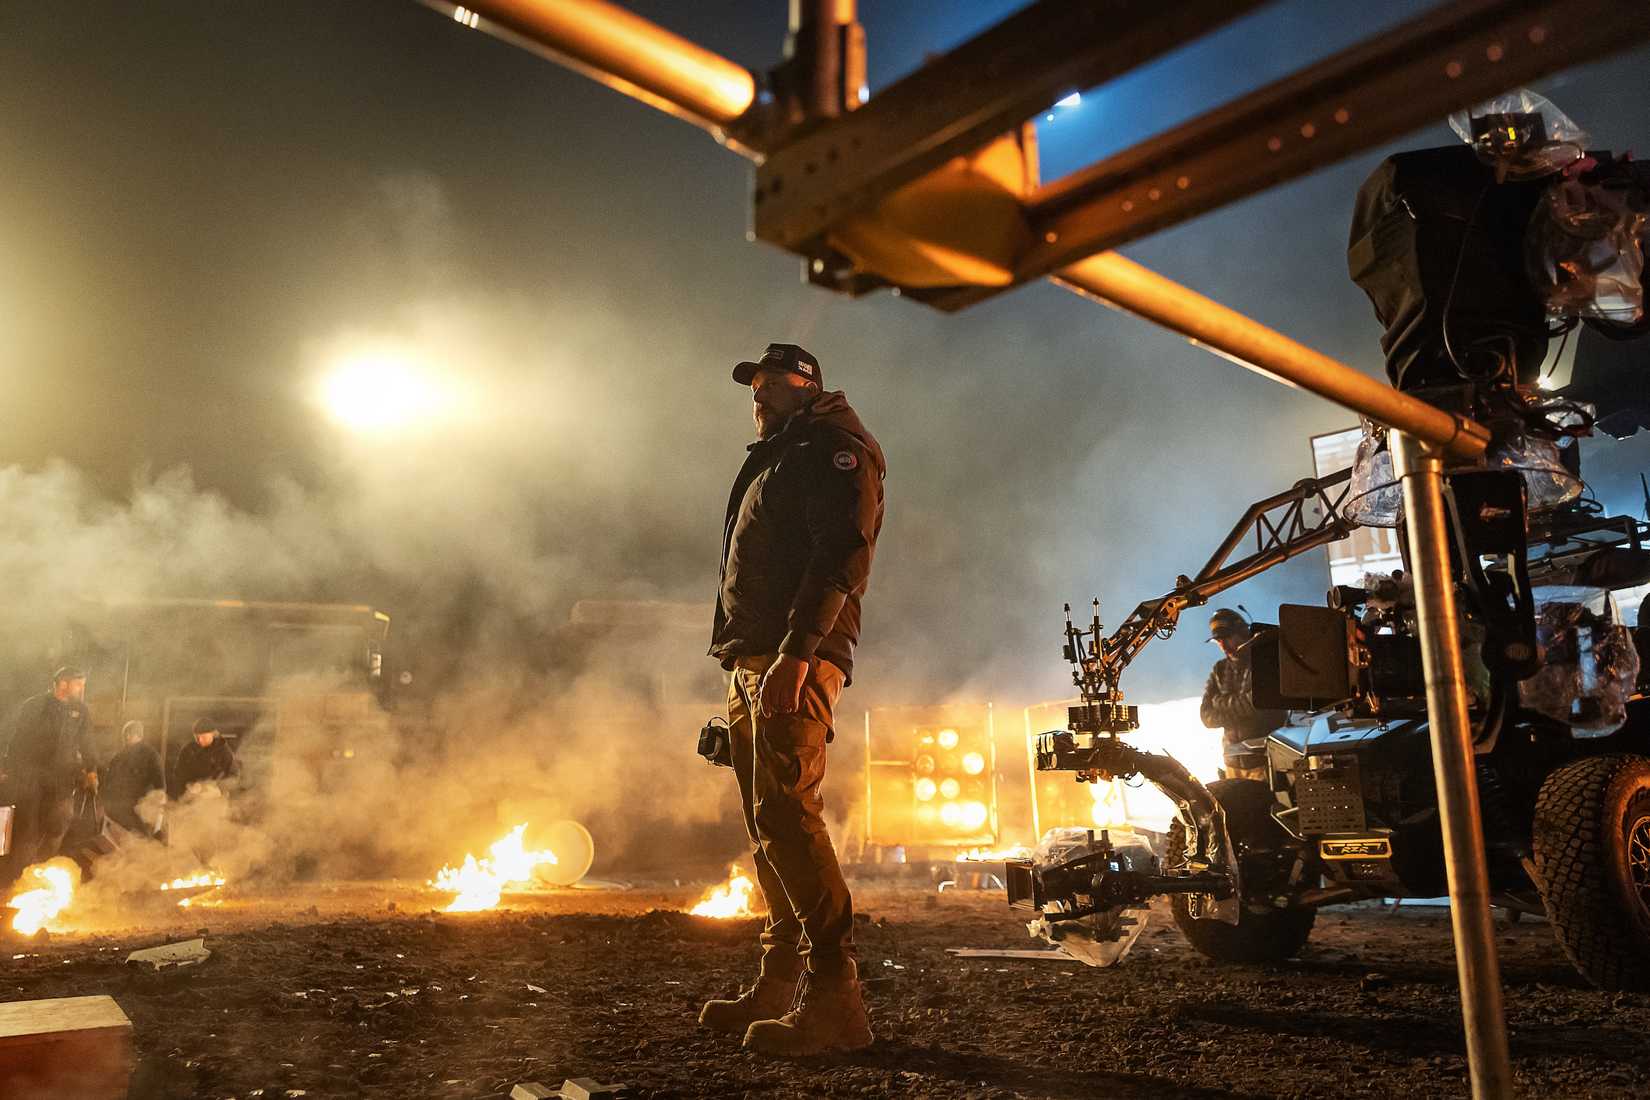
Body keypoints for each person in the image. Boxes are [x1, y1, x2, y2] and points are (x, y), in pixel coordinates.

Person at [700, 342, 885, 1056]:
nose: (759, 393)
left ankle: (836, 1001)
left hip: (791, 660)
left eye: (773, 383)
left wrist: (796, 653)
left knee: (787, 814)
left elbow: (843, 553)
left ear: (809, 385)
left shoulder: (835, 448)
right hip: (758, 658)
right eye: (754, 383)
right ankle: (779, 980)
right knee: (766, 822)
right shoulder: (786, 450)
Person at [0, 667, 97, 884]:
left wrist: (91, 770)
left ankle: (41, 873)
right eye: (78, 684)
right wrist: (6, 767)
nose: (82, 689)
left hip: (62, 780)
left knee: (59, 822)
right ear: (63, 683)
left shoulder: (80, 711)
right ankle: (18, 880)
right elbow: (17, 739)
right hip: (31, 780)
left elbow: (87, 741)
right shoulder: (34, 706)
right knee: (28, 831)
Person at [1200, 609, 1287, 781]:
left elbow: (1258, 705)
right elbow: (1206, 716)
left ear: (1242, 633)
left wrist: (1220, 703)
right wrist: (1241, 709)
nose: (1223, 646)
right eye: (1218, 641)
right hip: (1232, 766)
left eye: (1227, 638)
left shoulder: (1265, 662)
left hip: (1266, 763)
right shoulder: (1219, 669)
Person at [103, 720, 164, 838]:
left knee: (142, 837)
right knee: (123, 837)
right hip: (121, 805)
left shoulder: (150, 754)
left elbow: (159, 780)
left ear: (139, 735)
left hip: (141, 805)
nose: (127, 737)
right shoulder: (119, 756)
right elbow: (110, 780)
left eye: (130, 733)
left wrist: (159, 800)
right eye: (125, 734)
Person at [168, 718, 240, 799]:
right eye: (197, 737)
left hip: (215, 800)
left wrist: (218, 789)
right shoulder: (188, 750)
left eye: (204, 737)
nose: (200, 740)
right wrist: (188, 786)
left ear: (213, 734)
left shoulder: (224, 752)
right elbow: (178, 774)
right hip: (191, 800)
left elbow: (234, 778)